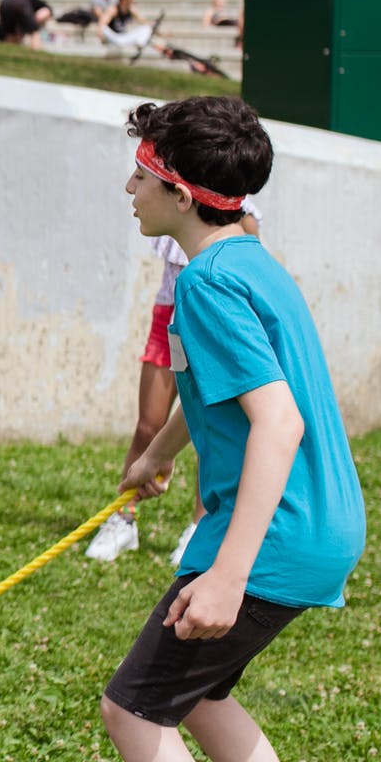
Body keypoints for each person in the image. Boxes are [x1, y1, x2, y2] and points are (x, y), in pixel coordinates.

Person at [106, 96, 371, 762]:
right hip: (321, 526)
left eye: (141, 172)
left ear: (178, 190)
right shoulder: (247, 263)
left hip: (267, 536)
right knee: (206, 696)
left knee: (136, 712)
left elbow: (277, 420)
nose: (130, 186)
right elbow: (231, 385)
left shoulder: (208, 284)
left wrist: (225, 571)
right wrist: (158, 454)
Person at [87, 197, 265, 567]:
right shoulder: (173, 199)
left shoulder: (240, 214)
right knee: (148, 424)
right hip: (169, 315)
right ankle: (123, 518)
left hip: (211, 320)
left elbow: (250, 276)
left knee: (210, 429)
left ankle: (200, 527)